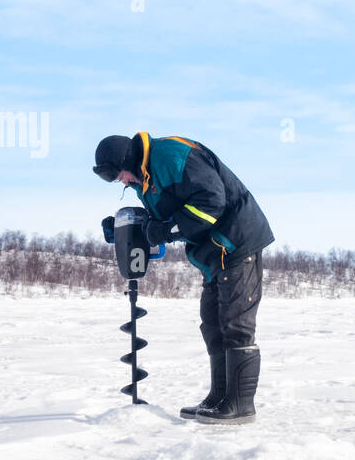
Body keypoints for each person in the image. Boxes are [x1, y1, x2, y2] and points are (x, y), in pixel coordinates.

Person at [93, 132, 274, 423]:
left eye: (120, 176)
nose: (123, 182)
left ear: (127, 159)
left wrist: (169, 230)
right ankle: (219, 398)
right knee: (213, 324)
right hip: (213, 255)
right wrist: (124, 224)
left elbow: (211, 201)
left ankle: (240, 404)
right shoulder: (144, 179)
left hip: (237, 243)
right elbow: (162, 217)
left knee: (235, 323)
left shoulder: (171, 157)